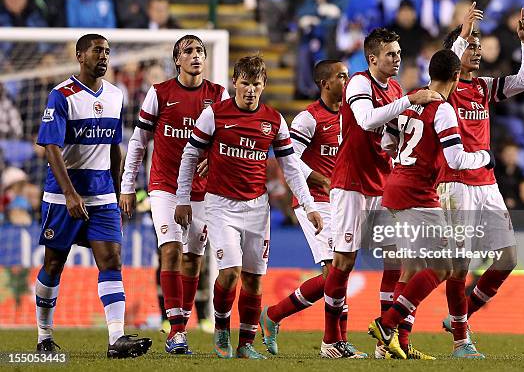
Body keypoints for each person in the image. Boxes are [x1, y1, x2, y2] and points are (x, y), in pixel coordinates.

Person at [174, 55, 323, 359]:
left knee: (254, 279)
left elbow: (291, 167)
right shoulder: (214, 115)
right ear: (234, 83)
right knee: (230, 272)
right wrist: (182, 198)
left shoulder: (274, 120)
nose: (250, 90)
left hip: (257, 208)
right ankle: (220, 330)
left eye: (256, 84)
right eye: (245, 83)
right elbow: (190, 155)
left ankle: (245, 345)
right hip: (220, 206)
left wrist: (309, 205)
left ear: (264, 85)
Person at [320, 26, 442, 359]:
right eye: (390, 54)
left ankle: (384, 343)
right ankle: (332, 341)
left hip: (382, 183)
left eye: (399, 54)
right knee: (343, 261)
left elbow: (387, 134)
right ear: (372, 58)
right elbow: (364, 120)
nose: (397, 59)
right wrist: (409, 100)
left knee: (395, 260)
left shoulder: (397, 88)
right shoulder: (360, 82)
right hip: (351, 182)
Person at [368, 48, 494, 360]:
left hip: (395, 185)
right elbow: (456, 159)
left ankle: (396, 345)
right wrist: (485, 156)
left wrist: (405, 156)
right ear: (455, 76)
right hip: (417, 193)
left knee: (411, 268)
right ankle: (387, 324)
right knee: (444, 266)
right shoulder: (444, 109)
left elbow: (387, 140)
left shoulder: (412, 99)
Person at [34, 33, 151, 358]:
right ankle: (44, 334)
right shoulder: (61, 95)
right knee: (54, 264)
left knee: (112, 260)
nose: (104, 56)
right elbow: (52, 149)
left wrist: (118, 192)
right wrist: (70, 194)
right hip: (62, 197)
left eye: (108, 52)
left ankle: (116, 340)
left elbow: (114, 147)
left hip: (102, 196)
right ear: (80, 55)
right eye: (98, 50)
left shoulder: (116, 95)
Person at [120, 34, 229, 354]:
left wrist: (215, 159)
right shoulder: (159, 94)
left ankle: (181, 325)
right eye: (189, 51)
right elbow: (138, 143)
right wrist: (128, 186)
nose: (196, 56)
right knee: (170, 251)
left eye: (200, 51)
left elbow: (226, 140)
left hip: (202, 192)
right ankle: (177, 331)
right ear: (177, 60)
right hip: (164, 188)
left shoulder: (218, 96)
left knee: (194, 259)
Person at [437, 6, 524, 351]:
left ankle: (460, 317)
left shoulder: (483, 87)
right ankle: (461, 342)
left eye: (479, 46)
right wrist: (462, 34)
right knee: (459, 263)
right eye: (472, 46)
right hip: (455, 182)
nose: (478, 51)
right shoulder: (442, 89)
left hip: (487, 183)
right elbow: (446, 63)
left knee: (508, 258)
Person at [259, 60, 366, 357]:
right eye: (341, 76)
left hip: (345, 200)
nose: (347, 80)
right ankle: (331, 341)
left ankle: (275, 316)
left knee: (340, 273)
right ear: (325, 83)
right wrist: (321, 178)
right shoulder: (309, 118)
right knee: (334, 270)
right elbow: (290, 160)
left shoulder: (352, 116)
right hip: (315, 200)